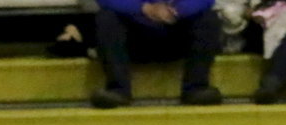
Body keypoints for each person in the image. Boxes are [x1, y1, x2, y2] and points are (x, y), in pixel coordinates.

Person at [91, 0, 223, 109]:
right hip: (133, 37)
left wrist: (177, 11)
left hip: (178, 31)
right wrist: (144, 8)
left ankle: (196, 89)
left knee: (208, 18)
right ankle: (117, 91)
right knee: (107, 18)